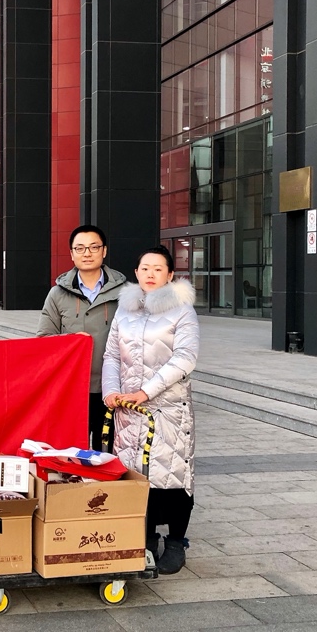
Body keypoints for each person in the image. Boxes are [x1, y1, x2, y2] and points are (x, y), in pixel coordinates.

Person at [102, 245, 199, 575]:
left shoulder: (182, 311)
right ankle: (144, 538)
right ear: (136, 272)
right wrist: (111, 391)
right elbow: (112, 355)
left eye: (158, 269)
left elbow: (185, 358)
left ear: (170, 275)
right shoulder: (125, 310)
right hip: (128, 409)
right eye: (145, 268)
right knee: (136, 476)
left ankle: (176, 542)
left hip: (167, 410)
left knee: (173, 475)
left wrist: (146, 392)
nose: (151, 274)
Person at [37, 225, 127, 450]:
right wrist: (71, 341)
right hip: (71, 389)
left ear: (104, 251)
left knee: (107, 453)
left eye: (93, 247)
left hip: (113, 389)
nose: (87, 253)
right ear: (72, 254)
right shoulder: (58, 294)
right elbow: (44, 339)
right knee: (71, 453)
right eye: (80, 248)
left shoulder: (125, 292)